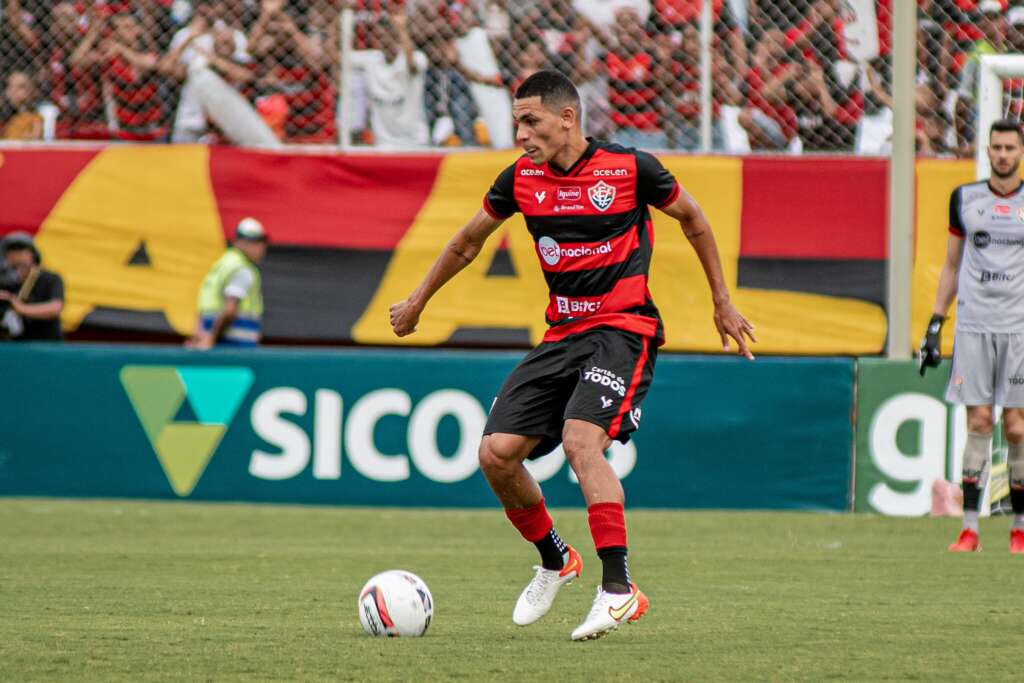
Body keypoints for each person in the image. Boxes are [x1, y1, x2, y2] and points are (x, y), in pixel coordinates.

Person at [389, 70, 755, 641]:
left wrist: (722, 303)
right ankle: (557, 559)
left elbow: (695, 220)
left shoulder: (631, 169)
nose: (521, 134)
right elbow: (467, 241)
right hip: (562, 334)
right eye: (517, 123)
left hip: (623, 329)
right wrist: (416, 301)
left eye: (530, 121)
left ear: (567, 118)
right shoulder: (521, 178)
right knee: (496, 454)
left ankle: (618, 589)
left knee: (583, 441)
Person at [919, 119, 1024, 554]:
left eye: (1010, 148)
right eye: (996, 147)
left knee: (1017, 426)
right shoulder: (964, 199)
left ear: (1020, 152)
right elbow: (950, 265)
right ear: (987, 150)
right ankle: (969, 529)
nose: (1003, 155)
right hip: (974, 326)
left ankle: (1019, 529)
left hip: (1019, 327)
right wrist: (935, 322)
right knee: (978, 422)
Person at [188, 218, 267, 350]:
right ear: (239, 242)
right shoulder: (241, 269)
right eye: (254, 242)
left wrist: (198, 336)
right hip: (233, 346)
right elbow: (230, 310)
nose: (260, 247)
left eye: (260, 242)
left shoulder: (223, 263)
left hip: (213, 341)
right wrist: (210, 339)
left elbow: (205, 306)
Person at [0, 232, 64, 342]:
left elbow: (55, 308)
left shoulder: (49, 279)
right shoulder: (5, 281)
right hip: (14, 346)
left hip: (46, 345)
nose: (17, 255)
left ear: (33, 254)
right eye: (12, 251)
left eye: (22, 250)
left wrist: (19, 308)